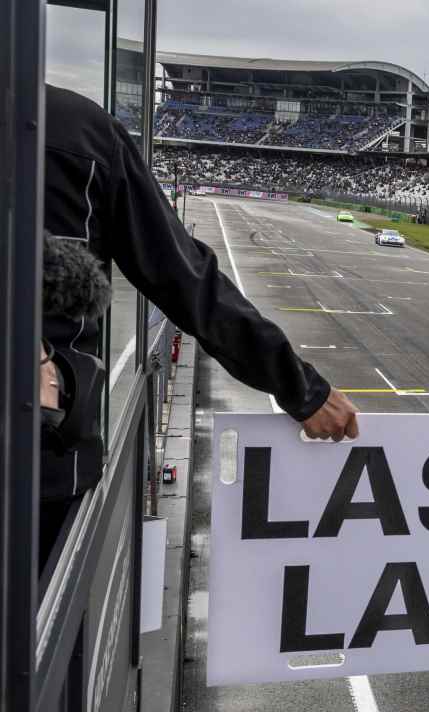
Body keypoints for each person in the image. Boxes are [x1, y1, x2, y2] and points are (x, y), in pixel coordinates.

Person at [41, 85, 358, 515]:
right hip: (43, 462)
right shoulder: (76, 128)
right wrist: (300, 387)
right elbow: (183, 277)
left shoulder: (74, 130)